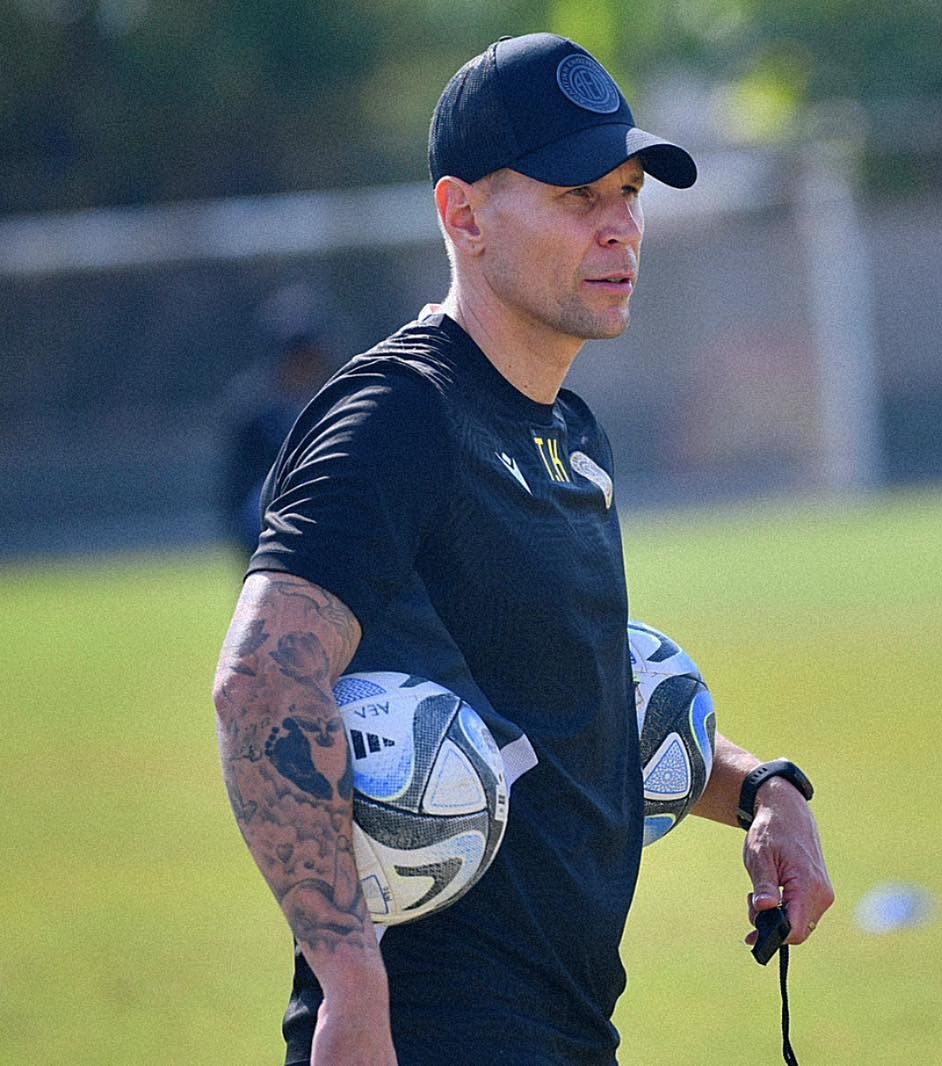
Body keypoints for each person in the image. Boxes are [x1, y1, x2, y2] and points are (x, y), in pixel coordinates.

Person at [212, 33, 833, 1066]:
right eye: (576, 196)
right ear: (463, 215)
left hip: (570, 1028)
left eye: (628, 193)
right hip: (429, 1034)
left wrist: (764, 789)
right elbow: (261, 684)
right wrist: (351, 986)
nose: (619, 226)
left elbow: (580, 712)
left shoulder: (571, 435)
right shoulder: (397, 413)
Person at [217, 294, 334, 562]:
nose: (305, 367)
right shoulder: (253, 413)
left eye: (311, 357)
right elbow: (238, 492)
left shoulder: (338, 402)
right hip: (269, 530)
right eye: (298, 357)